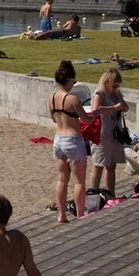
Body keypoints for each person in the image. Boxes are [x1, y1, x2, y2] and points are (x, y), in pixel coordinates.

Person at [49, 61, 88, 223]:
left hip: (58, 139)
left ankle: (62, 215)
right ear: (69, 80)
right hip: (73, 139)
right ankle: (80, 215)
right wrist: (97, 113)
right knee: (79, 180)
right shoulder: (73, 99)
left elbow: (53, 118)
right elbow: (87, 120)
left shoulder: (51, 98)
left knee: (62, 179)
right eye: (73, 81)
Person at [88, 68, 128, 199]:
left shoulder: (117, 94)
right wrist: (114, 108)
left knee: (112, 165)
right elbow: (95, 110)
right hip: (102, 134)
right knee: (98, 164)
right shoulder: (99, 93)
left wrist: (123, 106)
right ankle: (93, 194)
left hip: (115, 133)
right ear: (107, 82)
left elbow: (125, 107)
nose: (116, 86)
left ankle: (110, 193)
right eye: (115, 83)